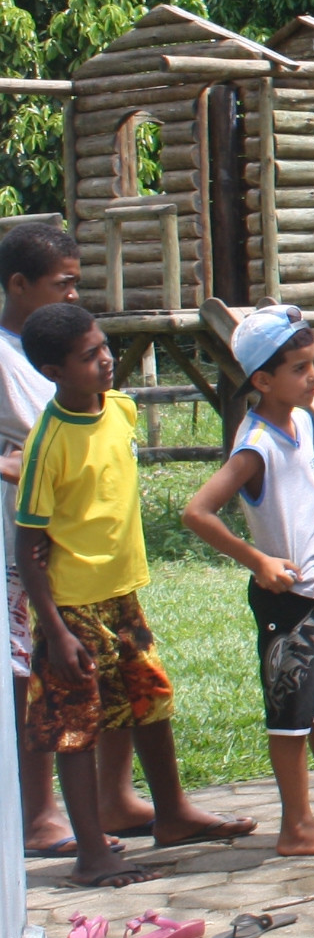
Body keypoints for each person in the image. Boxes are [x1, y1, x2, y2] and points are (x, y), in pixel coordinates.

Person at [18, 302, 253, 884]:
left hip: (123, 596)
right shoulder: (48, 442)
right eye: (88, 356)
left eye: (104, 348)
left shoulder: (119, 409)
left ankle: (172, 813)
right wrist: (53, 628)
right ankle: (91, 851)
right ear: (54, 371)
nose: (104, 361)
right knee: (78, 726)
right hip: (72, 608)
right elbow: (27, 547)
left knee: (150, 699)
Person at [181, 306, 314, 857]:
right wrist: (258, 560)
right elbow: (197, 512)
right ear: (262, 380)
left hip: (312, 591)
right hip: (283, 598)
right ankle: (296, 826)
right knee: (290, 713)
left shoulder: (299, 423)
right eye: (300, 369)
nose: (313, 378)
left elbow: (308, 505)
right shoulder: (254, 444)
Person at [0, 221, 81, 858]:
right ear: (18, 285)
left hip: (72, 547)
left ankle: (110, 795)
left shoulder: (56, 348)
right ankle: (37, 813)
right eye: (62, 284)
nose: (72, 295)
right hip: (18, 550)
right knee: (30, 677)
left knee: (81, 666)